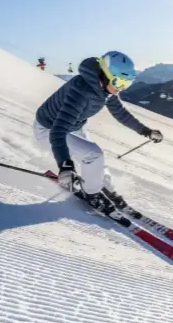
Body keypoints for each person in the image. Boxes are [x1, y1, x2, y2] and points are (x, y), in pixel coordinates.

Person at [33, 51, 163, 213]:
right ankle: (92, 195)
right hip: (48, 129)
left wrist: (145, 131)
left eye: (126, 84)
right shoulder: (81, 92)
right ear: (105, 75)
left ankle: (106, 189)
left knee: (97, 162)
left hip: (73, 127)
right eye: (118, 82)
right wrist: (65, 165)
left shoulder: (105, 89)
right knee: (94, 155)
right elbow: (57, 131)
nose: (120, 88)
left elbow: (120, 113)